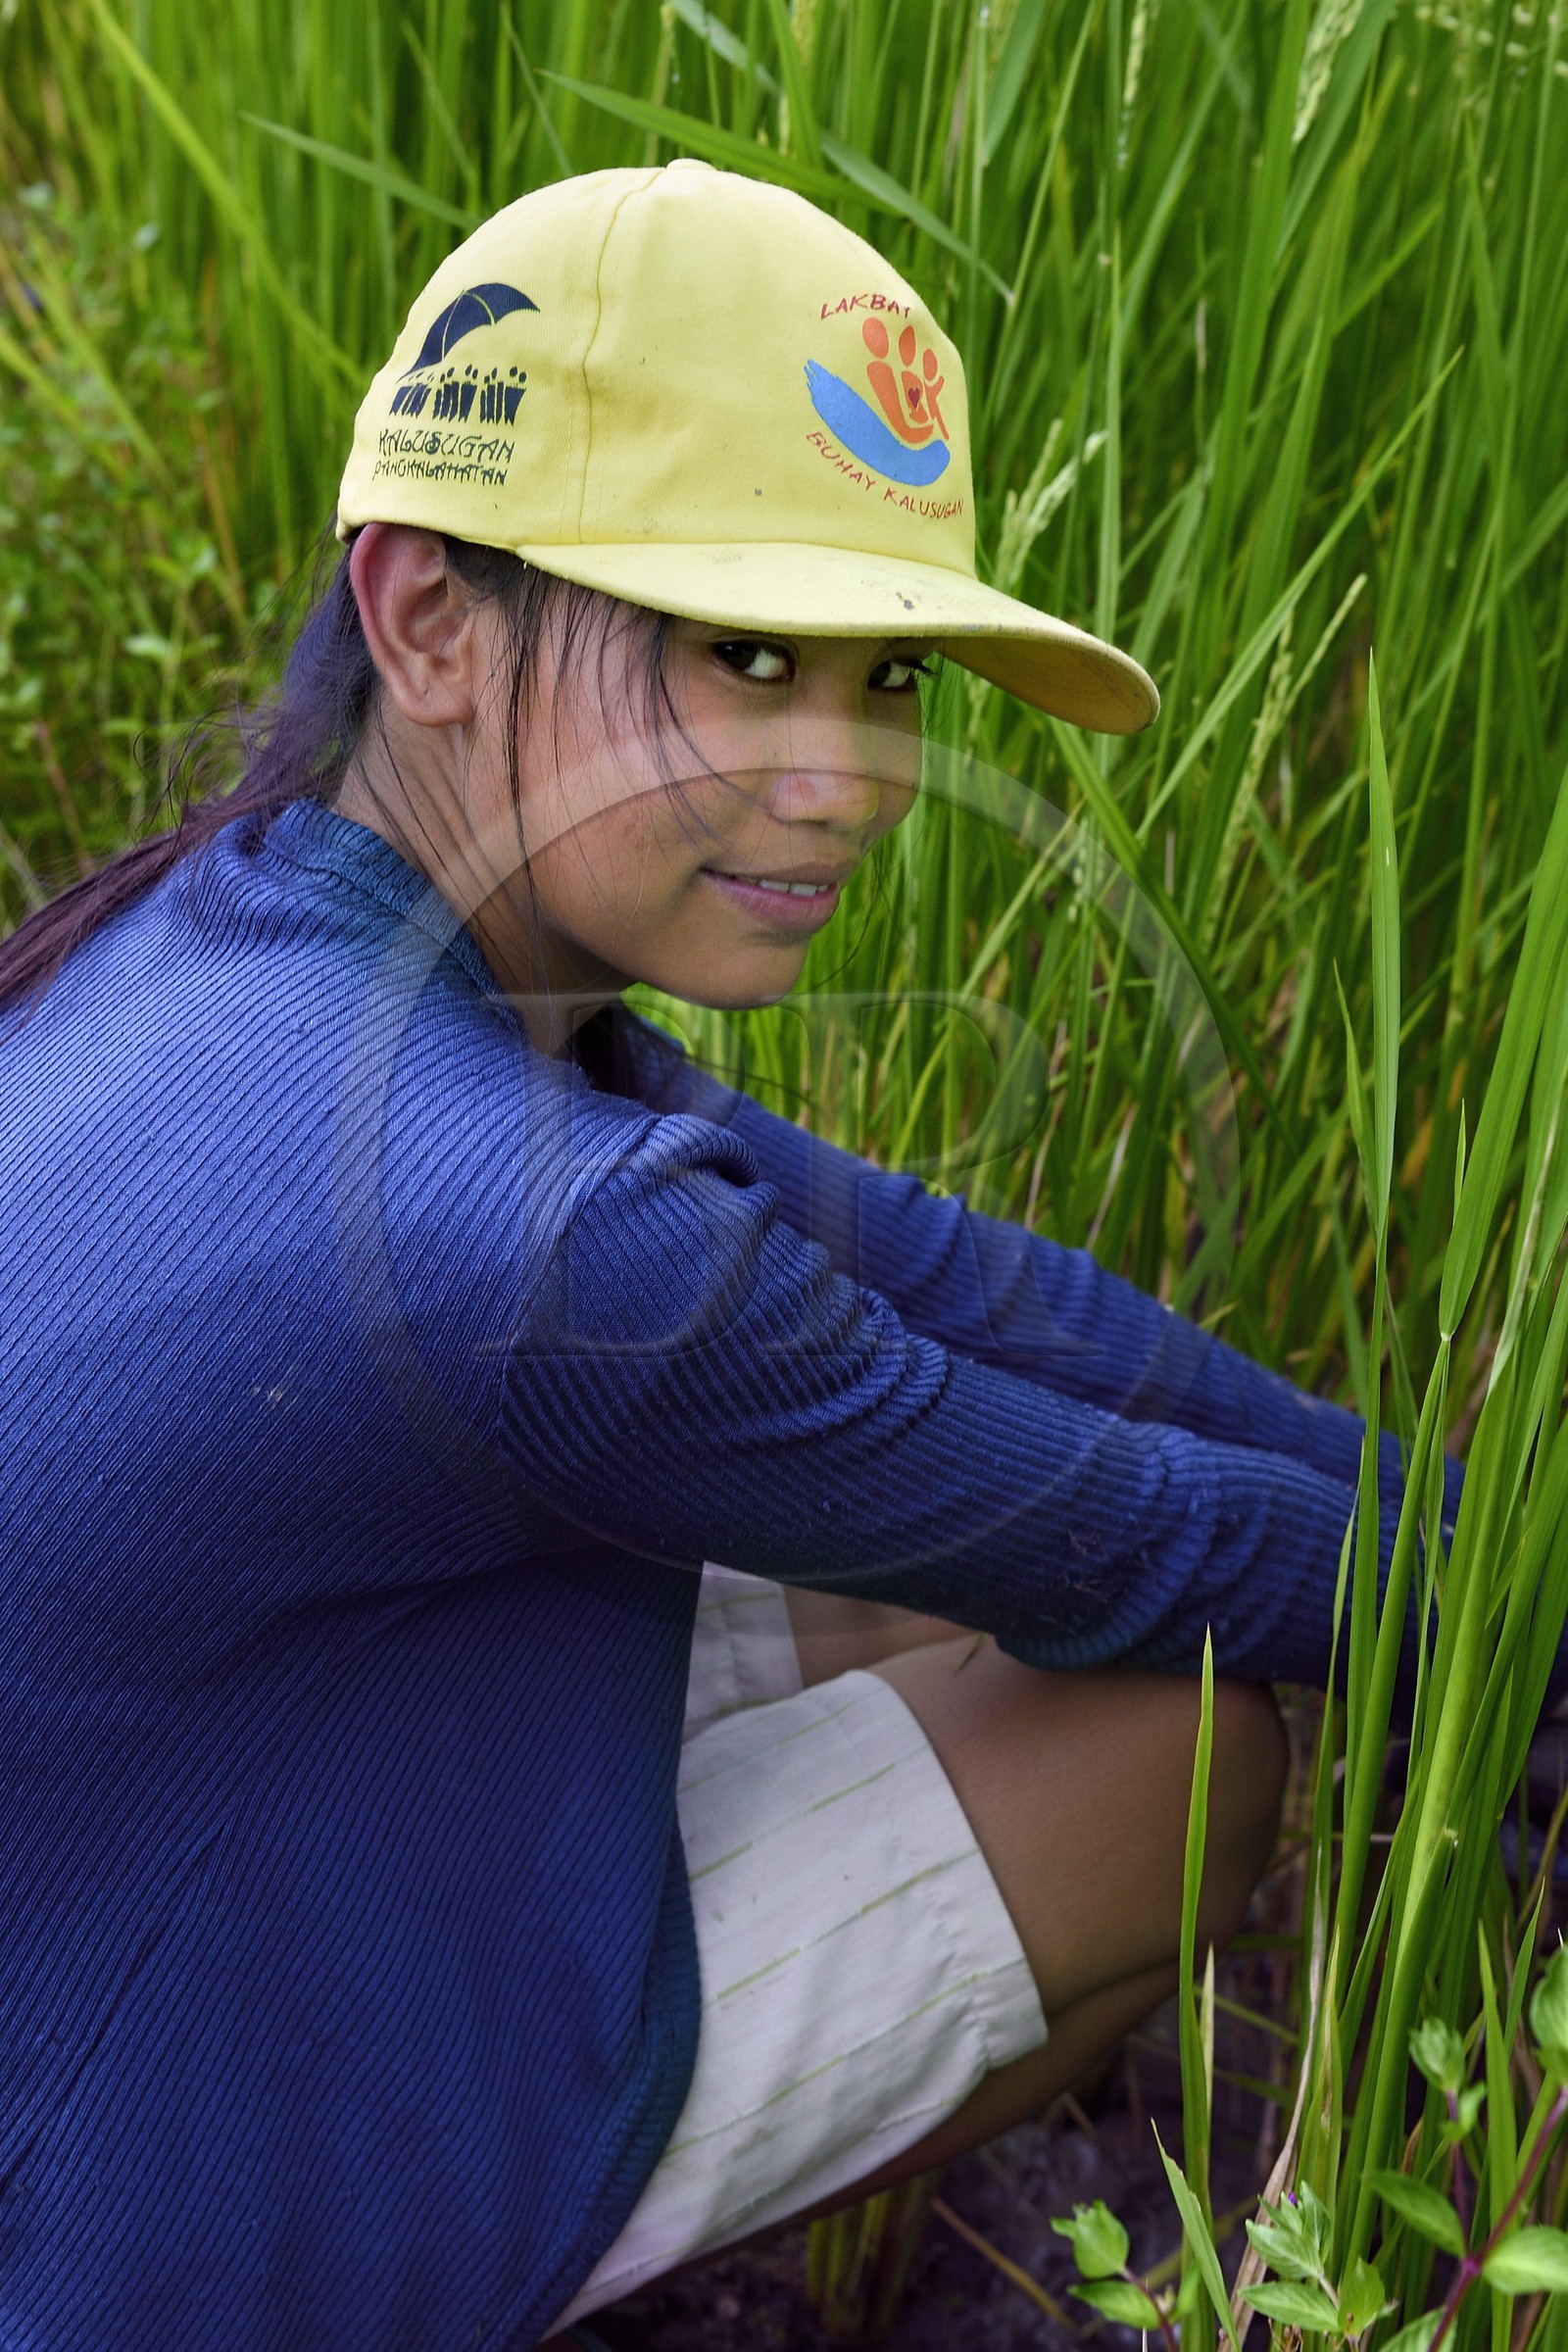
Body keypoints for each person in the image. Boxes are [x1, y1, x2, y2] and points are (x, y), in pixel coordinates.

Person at [0, 163, 1449, 2352]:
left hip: (127, 1914)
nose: (849, 783)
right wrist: (1492, 1629)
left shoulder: (266, 937)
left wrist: (1476, 1529)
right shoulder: (527, 1235)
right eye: (742, 654)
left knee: (877, 1547)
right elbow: (1131, 1538)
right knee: (1186, 1746)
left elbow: (981, 1301)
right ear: (426, 621)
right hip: (115, 2228)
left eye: (886, 680)